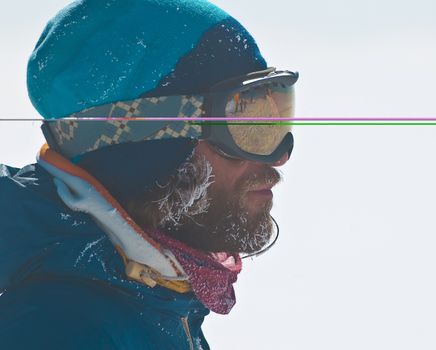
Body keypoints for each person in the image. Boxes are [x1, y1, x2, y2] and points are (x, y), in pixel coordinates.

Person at [0, 0, 298, 348]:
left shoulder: (151, 294)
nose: (279, 157)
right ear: (150, 146)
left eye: (276, 118)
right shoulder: (63, 329)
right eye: (245, 123)